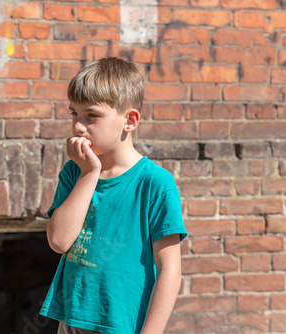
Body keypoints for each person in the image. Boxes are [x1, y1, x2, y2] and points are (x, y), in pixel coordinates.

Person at [40, 57, 187, 334]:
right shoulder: (75, 173)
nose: (78, 126)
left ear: (129, 120)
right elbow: (59, 241)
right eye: (74, 114)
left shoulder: (154, 183)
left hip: (123, 325)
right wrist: (88, 174)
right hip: (71, 320)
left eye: (91, 116)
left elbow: (170, 270)